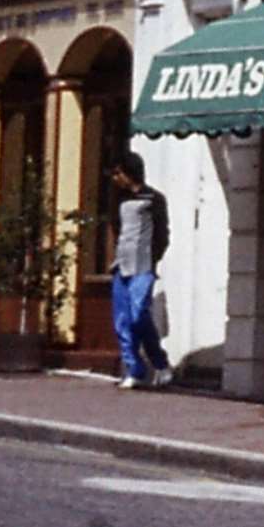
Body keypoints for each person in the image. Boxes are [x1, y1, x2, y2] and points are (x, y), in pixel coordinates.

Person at [108, 150, 172, 389]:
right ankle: (133, 369)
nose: (116, 178)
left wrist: (153, 258)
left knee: (138, 315)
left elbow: (162, 234)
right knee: (122, 321)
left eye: (118, 173)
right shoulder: (119, 199)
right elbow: (116, 228)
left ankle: (160, 363)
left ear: (129, 172)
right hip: (121, 266)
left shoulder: (154, 199)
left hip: (143, 266)